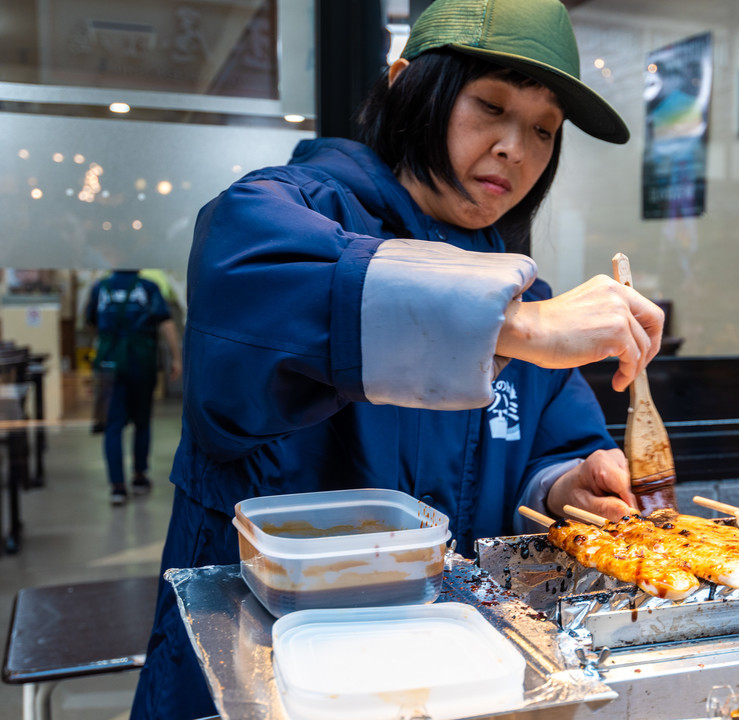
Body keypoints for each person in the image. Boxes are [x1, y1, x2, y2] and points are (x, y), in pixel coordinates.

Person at [131, 0, 663, 717]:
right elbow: (255, 283)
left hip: (446, 668)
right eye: (490, 106)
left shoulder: (522, 295)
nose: (515, 147)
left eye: (543, 129)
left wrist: (571, 484)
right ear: (407, 84)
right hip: (269, 674)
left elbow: (552, 442)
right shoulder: (285, 211)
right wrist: (520, 325)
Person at [84, 269, 182, 505]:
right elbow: (166, 323)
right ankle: (139, 477)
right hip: (141, 361)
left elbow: (91, 323)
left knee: (112, 426)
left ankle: (117, 487)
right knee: (141, 422)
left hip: (109, 363)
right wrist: (176, 357)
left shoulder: (101, 287)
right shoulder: (148, 287)